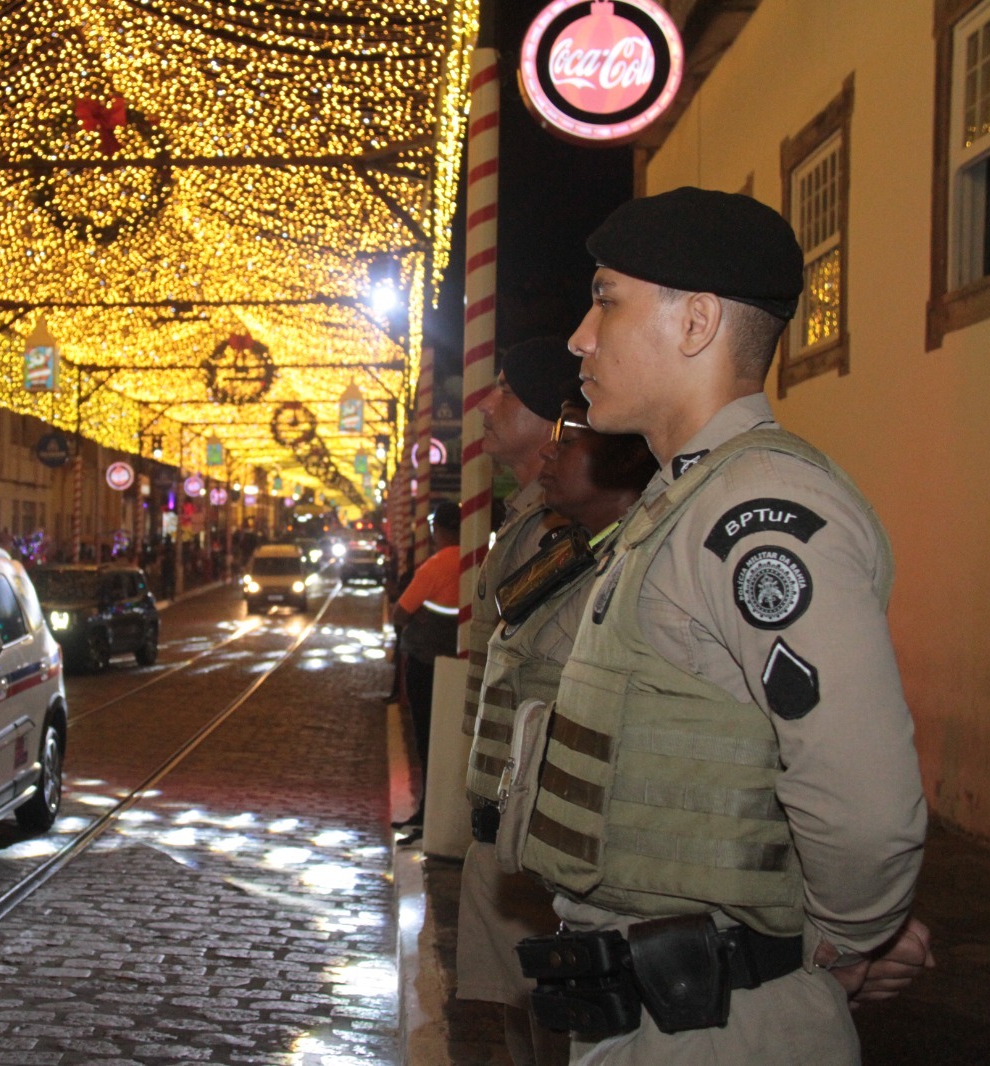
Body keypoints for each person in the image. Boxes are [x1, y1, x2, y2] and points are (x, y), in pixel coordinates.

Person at [515, 187, 932, 1063]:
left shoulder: (759, 512)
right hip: (655, 1010)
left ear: (697, 322)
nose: (580, 338)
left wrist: (847, 939)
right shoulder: (682, 500)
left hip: (720, 1020)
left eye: (605, 301)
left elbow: (861, 800)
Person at [459, 400, 658, 1066]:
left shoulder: (635, 571)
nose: (550, 452)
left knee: (560, 1026)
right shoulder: (574, 552)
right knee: (531, 1017)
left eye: (569, 441)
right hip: (524, 836)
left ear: (625, 463)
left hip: (576, 855)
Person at [464, 338, 586, 738]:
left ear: (550, 420)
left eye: (506, 391)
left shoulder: (558, 524)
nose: (485, 405)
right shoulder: (526, 514)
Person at [389, 499, 462, 844]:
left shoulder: (435, 566)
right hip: (461, 662)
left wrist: (420, 616)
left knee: (426, 738)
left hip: (427, 664)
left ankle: (429, 812)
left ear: (437, 530)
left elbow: (400, 613)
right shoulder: (478, 559)